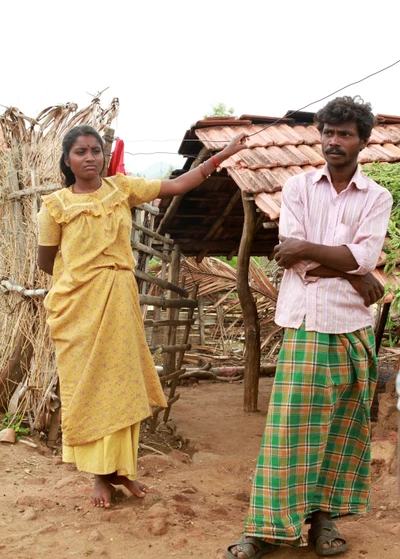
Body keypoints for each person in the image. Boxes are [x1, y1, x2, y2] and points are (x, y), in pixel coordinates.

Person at [37, 124, 248, 509]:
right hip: (77, 308)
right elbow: (46, 261)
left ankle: (121, 470)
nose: (90, 157)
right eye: (81, 152)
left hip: (119, 301)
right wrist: (85, 278)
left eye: (96, 151)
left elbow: (179, 185)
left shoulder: (122, 189)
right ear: (67, 160)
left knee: (122, 382)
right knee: (89, 388)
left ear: (104, 156)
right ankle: (99, 475)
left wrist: (225, 154)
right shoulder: (54, 207)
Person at [227, 96, 393, 558]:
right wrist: (355, 273)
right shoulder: (297, 187)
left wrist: (331, 258)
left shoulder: (378, 196)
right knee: (287, 432)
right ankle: (264, 530)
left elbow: (358, 256)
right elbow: (290, 254)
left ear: (362, 140)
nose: (334, 142)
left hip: (350, 327)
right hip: (306, 324)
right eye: (328, 133)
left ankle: (322, 522)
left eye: (344, 134)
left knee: (341, 431)